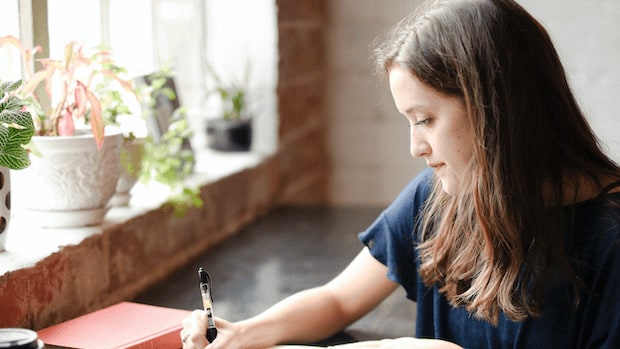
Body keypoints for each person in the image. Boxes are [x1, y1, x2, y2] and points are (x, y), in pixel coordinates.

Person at [181, 0, 620, 347]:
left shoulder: (611, 240)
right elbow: (338, 299)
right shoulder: (436, 197)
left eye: (425, 119)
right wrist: (247, 332)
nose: (415, 147)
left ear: (496, 109)